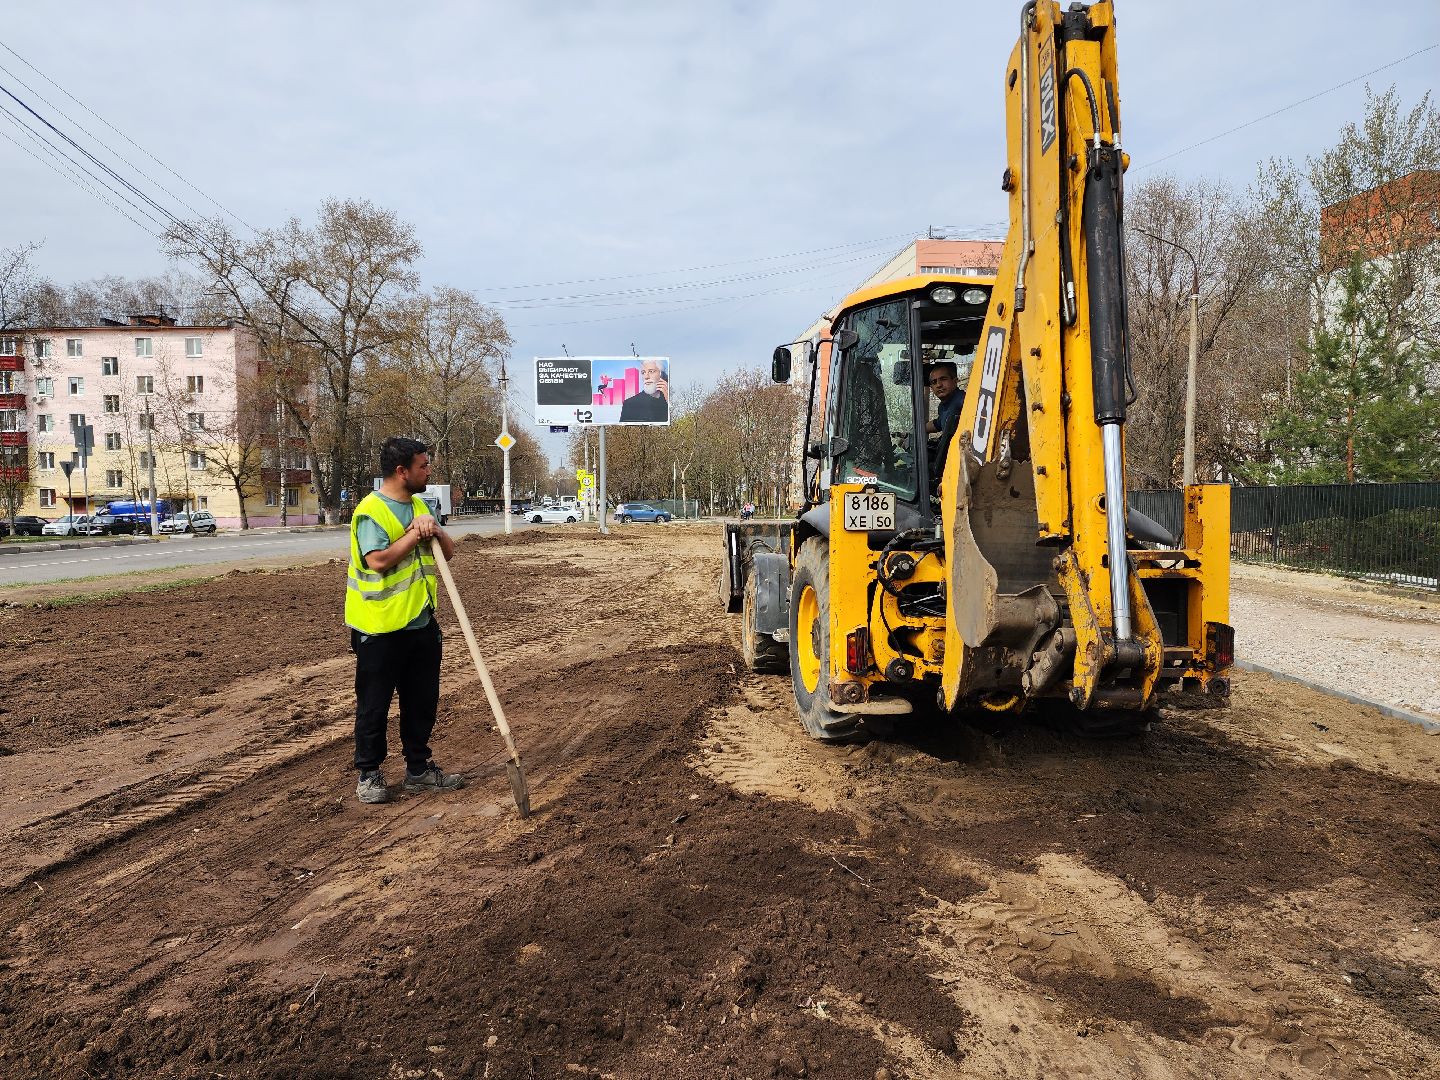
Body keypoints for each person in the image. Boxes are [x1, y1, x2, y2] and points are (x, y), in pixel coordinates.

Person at [346, 436, 463, 805]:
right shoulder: (371, 511)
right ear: (402, 471)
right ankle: (369, 774)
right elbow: (378, 560)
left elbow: (448, 552)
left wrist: (436, 529)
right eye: (423, 466)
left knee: (421, 701)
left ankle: (419, 770)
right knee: (374, 706)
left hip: (420, 623)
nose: (429, 471)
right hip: (379, 628)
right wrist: (415, 534)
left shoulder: (419, 506)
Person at [618, 358, 670, 422]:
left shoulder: (668, 400)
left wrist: (668, 402)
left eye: (651, 371)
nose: (646, 377)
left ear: (661, 374)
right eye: (643, 372)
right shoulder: (630, 403)